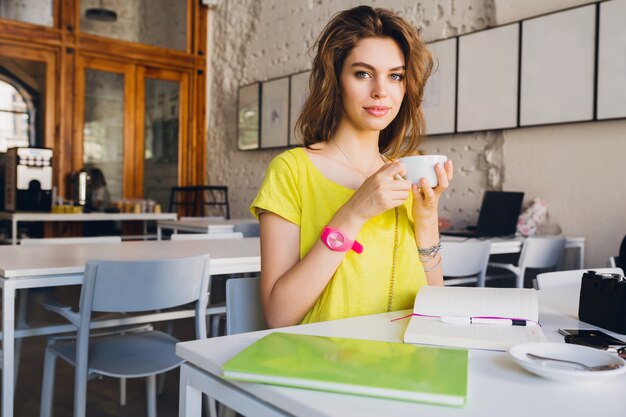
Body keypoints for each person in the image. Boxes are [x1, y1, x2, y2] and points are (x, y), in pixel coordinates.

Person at [250, 6, 453, 328]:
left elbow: (436, 304)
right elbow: (279, 316)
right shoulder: (292, 170)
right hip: (327, 362)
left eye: (395, 76)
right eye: (363, 73)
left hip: (407, 361)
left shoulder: (404, 173)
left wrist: (426, 219)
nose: (380, 91)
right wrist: (354, 212)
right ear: (335, 80)